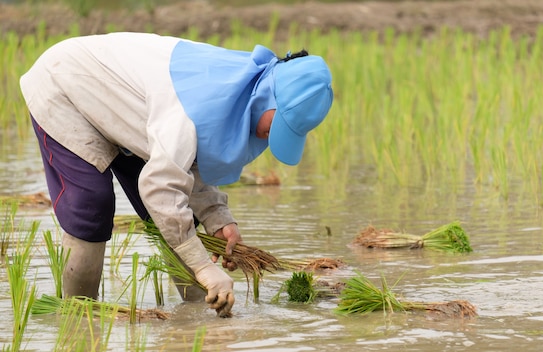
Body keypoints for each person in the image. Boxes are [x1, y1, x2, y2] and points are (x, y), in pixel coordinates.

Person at [20, 32, 334, 318]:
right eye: (279, 125)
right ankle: (78, 316)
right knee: (92, 204)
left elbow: (188, 159)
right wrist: (204, 267)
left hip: (134, 111)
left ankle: (198, 310)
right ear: (272, 96)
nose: (270, 136)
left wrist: (217, 216)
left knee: (175, 214)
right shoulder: (197, 104)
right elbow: (161, 186)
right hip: (65, 85)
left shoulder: (241, 91)